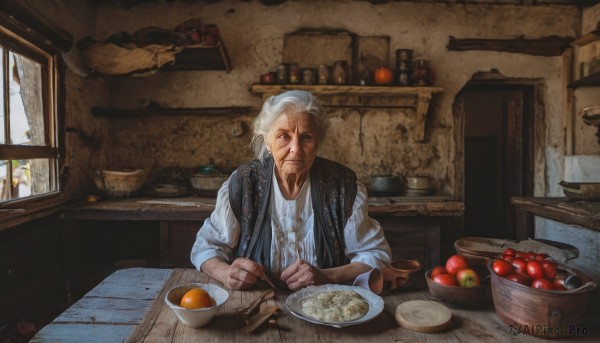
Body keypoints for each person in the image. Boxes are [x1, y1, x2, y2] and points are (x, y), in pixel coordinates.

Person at [191, 90, 391, 291]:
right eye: (283, 136)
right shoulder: (243, 184)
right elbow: (206, 249)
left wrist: (327, 276)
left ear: (317, 142)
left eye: (306, 137)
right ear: (268, 141)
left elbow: (376, 255)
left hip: (326, 306)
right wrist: (226, 274)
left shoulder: (342, 186)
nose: (296, 148)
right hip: (254, 302)